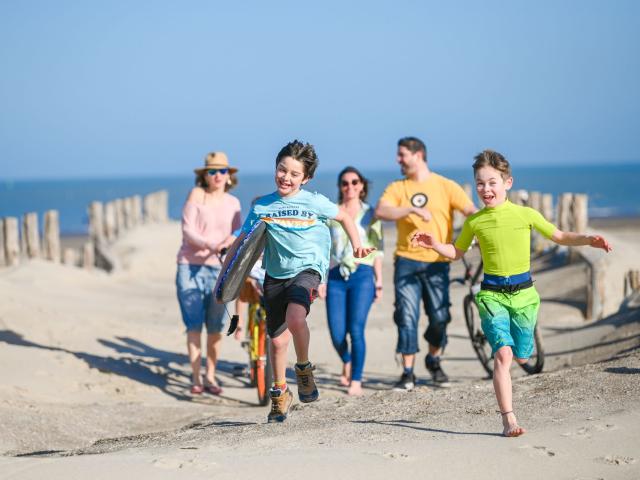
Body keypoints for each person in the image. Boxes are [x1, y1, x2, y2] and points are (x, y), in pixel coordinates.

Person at [411, 149, 612, 436]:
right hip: (492, 295)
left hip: (525, 295)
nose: (485, 189)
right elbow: (456, 252)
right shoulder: (475, 221)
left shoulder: (525, 214)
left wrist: (588, 239)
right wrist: (434, 244)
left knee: (521, 355)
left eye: (492, 182)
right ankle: (509, 419)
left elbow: (559, 236)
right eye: (480, 183)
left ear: (508, 183)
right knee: (503, 355)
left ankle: (521, 355)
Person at [238, 140, 375, 423]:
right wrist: (224, 278)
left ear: (306, 178)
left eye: (294, 173)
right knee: (276, 343)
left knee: (296, 318)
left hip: (308, 270)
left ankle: (303, 368)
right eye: (281, 170)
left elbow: (346, 218)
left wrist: (357, 245)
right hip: (275, 274)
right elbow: (242, 242)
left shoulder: (313, 201)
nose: (286, 177)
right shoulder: (263, 205)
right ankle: (280, 393)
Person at [375, 137, 476, 389]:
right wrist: (410, 210)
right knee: (407, 315)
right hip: (406, 261)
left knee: (440, 316)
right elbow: (382, 211)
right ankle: (407, 372)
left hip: (438, 262)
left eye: (402, 155)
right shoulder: (398, 188)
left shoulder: (445, 185)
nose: (398, 160)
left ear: (418, 155)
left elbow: (471, 212)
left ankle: (433, 359)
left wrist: (479, 232)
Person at [176, 152, 241, 396]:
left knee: (215, 326)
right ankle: (196, 378)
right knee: (194, 325)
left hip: (220, 268)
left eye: (222, 171)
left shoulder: (233, 203)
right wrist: (210, 244)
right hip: (190, 267)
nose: (217, 175)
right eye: (212, 171)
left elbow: (238, 230)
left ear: (229, 176)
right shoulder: (196, 195)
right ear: (204, 175)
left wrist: (227, 241)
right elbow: (187, 230)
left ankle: (211, 375)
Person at [319, 166, 383, 396]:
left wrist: (379, 281)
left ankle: (356, 378)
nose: (350, 187)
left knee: (356, 330)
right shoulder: (332, 213)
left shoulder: (370, 213)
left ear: (362, 186)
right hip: (336, 276)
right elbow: (324, 249)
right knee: (337, 333)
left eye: (355, 182)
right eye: (345, 183)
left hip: (363, 275)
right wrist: (321, 280)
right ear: (340, 187)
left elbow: (378, 249)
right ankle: (346, 360)